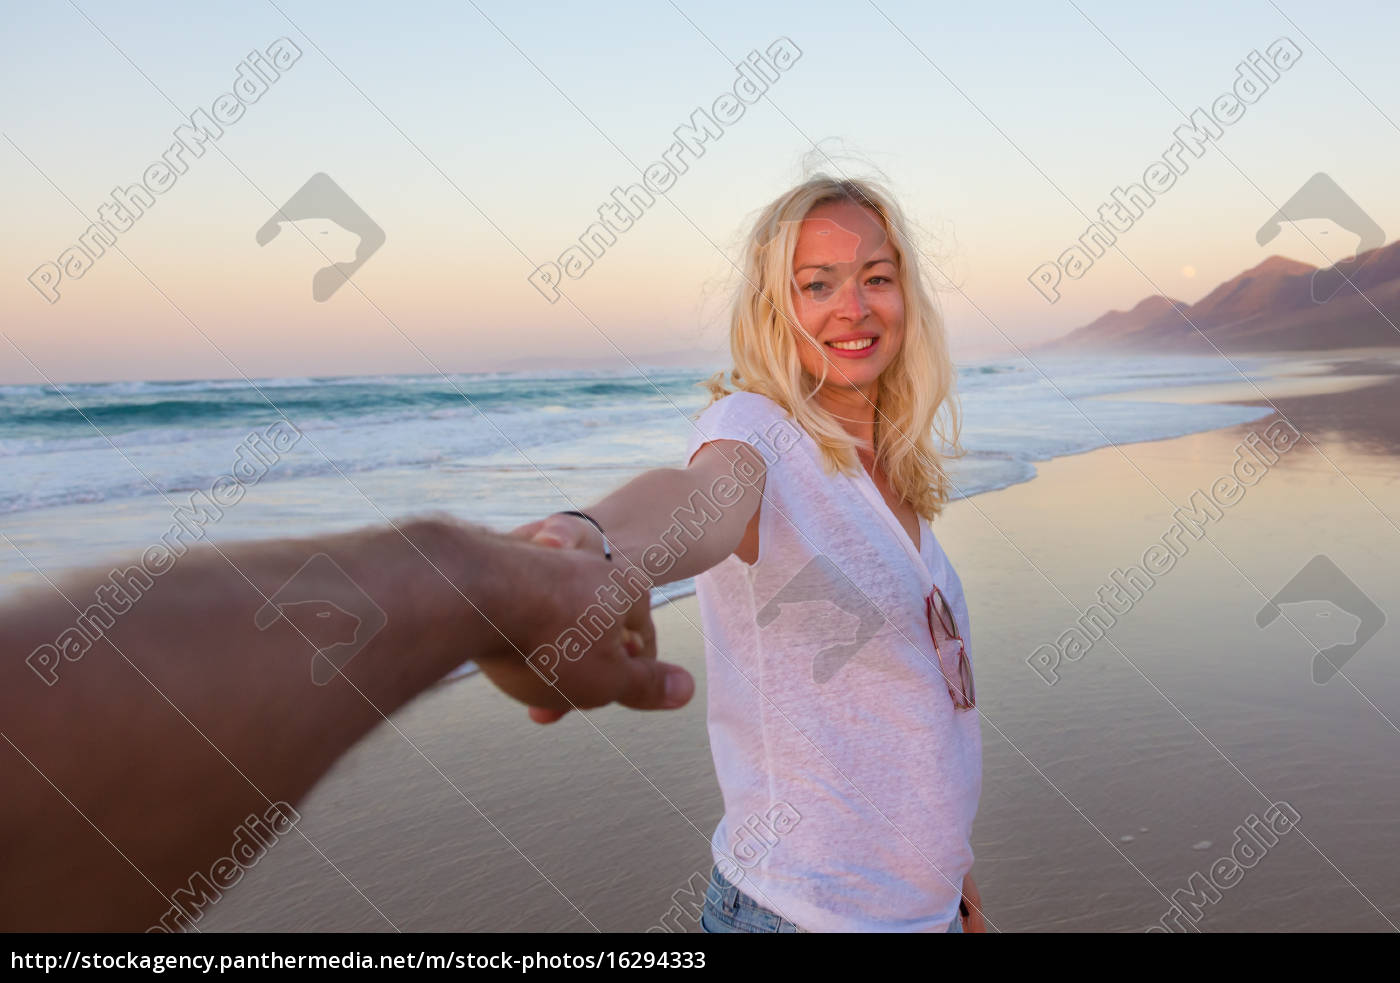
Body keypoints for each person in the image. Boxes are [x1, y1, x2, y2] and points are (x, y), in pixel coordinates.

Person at [518, 175, 985, 933]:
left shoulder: (890, 471)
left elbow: (918, 711)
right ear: (776, 308)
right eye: (818, 285)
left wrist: (958, 889)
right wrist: (595, 542)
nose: (856, 308)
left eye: (877, 278)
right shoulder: (755, 430)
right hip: (802, 912)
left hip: (919, 912)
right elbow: (698, 502)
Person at [0, 515, 693, 931]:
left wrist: (495, 580)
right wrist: (542, 558)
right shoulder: (747, 421)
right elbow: (703, 485)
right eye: (805, 284)